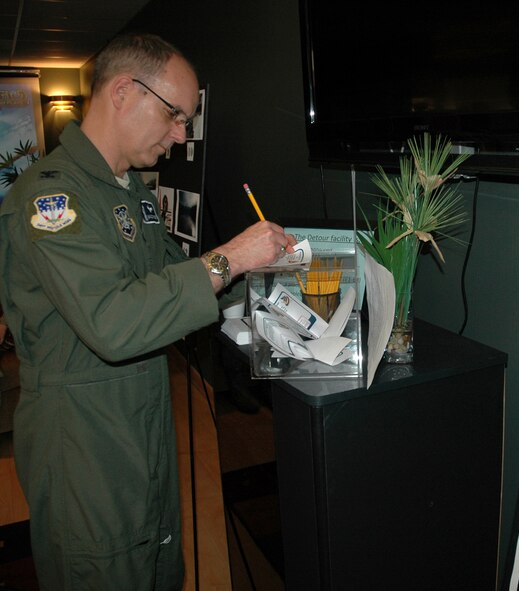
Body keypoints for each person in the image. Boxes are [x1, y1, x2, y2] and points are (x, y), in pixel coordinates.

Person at [0, 33, 296, 590]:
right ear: (122, 92)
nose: (181, 134)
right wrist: (231, 258)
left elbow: (173, 282)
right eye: (174, 114)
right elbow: (113, 322)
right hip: (84, 445)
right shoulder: (51, 200)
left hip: (141, 426)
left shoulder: (129, 191)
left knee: (157, 566)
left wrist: (270, 286)